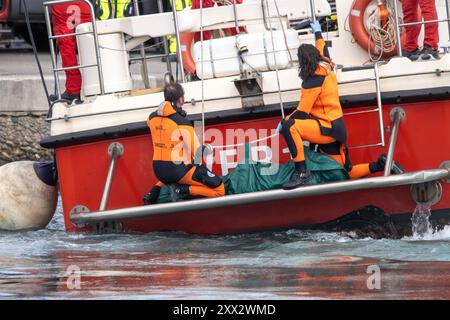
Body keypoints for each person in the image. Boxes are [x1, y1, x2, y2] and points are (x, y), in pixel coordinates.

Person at [279, 21, 403, 190]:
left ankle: (301, 172)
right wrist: (318, 33)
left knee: (289, 125)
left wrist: (284, 122)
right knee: (345, 172)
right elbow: (323, 48)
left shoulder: (313, 81)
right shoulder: (326, 65)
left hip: (326, 129)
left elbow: (302, 112)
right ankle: (379, 165)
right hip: (336, 129)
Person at [144, 83, 225, 204]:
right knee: (220, 190)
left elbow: (152, 123)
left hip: (158, 171)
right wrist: (207, 148)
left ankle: (153, 192)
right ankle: (182, 190)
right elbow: (197, 154)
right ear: (181, 99)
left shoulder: (151, 118)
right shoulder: (182, 122)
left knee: (176, 162)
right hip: (177, 171)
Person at [49, 1, 93, 102]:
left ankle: (73, 90)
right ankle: (97, 83)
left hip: (63, 8)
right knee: (91, 43)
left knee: (67, 47)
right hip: (84, 6)